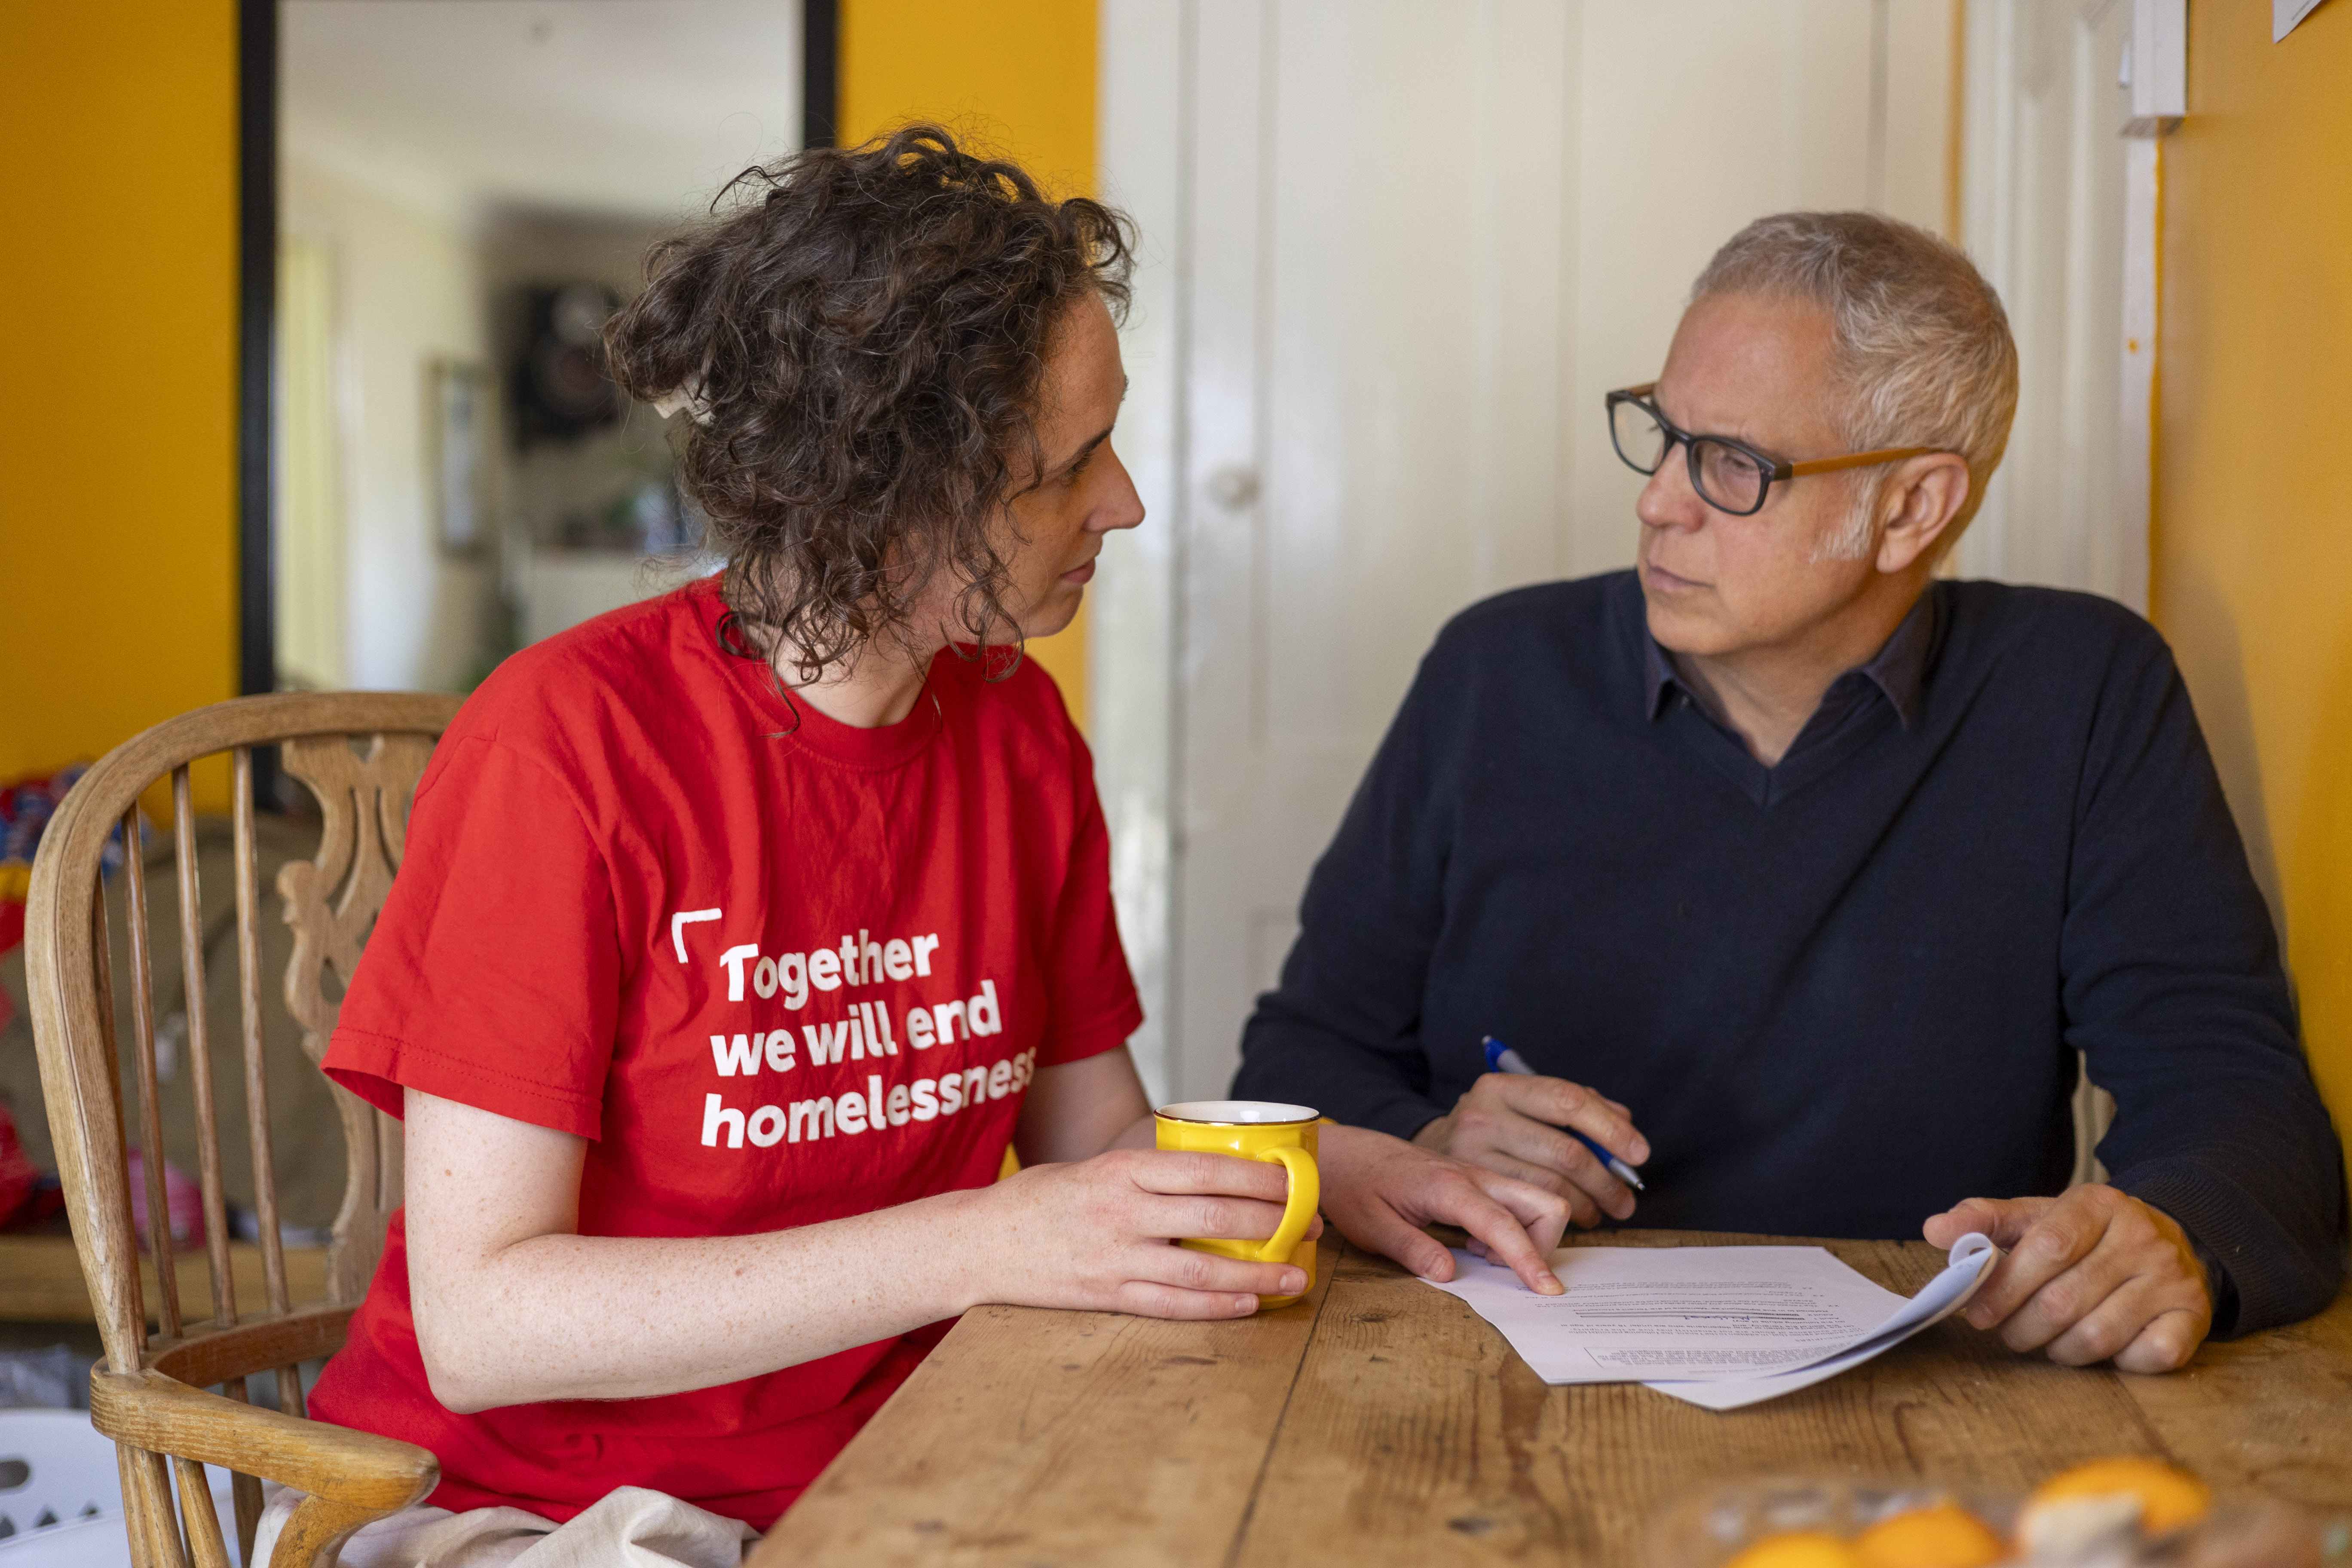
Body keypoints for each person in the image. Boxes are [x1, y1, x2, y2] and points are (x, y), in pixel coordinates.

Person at [266, 128, 1571, 1564]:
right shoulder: (565, 749)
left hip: (910, 1469)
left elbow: (1100, 1147)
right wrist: (988, 1242)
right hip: (517, 1510)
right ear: (884, 499)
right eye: (1067, 467)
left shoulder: (1016, 733)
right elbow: (483, 1324)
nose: (1125, 502)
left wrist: (1331, 1171)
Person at [1232, 211, 2345, 1378]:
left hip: (1925, 1397)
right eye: (1663, 435)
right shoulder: (1496, 670)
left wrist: (2171, 1234)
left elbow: (2232, 1090)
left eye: (1732, 466)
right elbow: (1295, 1061)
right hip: (1481, 1370)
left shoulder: (2084, 691)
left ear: (1913, 508)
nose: (1660, 501)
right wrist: (1427, 1137)